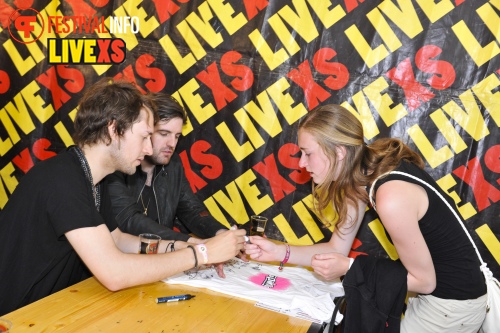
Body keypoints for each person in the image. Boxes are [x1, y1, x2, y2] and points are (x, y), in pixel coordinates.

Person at [0, 79, 245, 315]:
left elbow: (117, 240)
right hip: (15, 317)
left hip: (50, 310)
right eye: (144, 137)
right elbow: (114, 273)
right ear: (113, 129)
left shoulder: (94, 178)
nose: (149, 149)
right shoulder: (62, 179)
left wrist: (182, 245)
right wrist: (201, 254)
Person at [245, 104, 487, 332]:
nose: (301, 163)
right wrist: (278, 252)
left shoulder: (391, 198)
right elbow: (336, 249)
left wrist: (351, 268)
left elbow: (424, 282)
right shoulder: (362, 175)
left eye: (308, 153)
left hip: (452, 305)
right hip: (433, 298)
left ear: (339, 152)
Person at [105, 93, 227, 243]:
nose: (172, 144)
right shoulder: (117, 165)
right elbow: (129, 220)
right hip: (123, 260)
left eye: (177, 136)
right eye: (164, 134)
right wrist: (191, 244)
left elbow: (191, 210)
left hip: (162, 258)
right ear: (145, 131)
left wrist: (221, 234)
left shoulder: (173, 164)